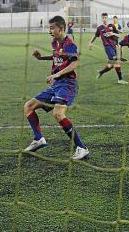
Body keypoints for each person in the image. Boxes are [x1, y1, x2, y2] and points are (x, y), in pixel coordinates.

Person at [24, 15, 89, 160]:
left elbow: (74, 63)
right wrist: (41, 58)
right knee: (28, 106)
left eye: (52, 28)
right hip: (57, 84)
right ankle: (38, 139)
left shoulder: (69, 44)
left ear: (62, 28)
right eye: (50, 28)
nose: (50, 31)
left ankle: (82, 148)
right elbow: (57, 57)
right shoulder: (55, 42)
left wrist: (56, 74)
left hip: (68, 84)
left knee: (58, 114)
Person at [88, 13, 127, 84]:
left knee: (111, 65)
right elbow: (95, 36)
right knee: (116, 61)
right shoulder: (100, 28)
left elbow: (118, 35)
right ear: (101, 19)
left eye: (105, 17)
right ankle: (120, 79)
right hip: (107, 47)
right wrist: (90, 42)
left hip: (113, 46)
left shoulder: (112, 26)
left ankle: (101, 72)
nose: (104, 19)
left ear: (107, 18)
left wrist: (113, 34)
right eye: (103, 18)